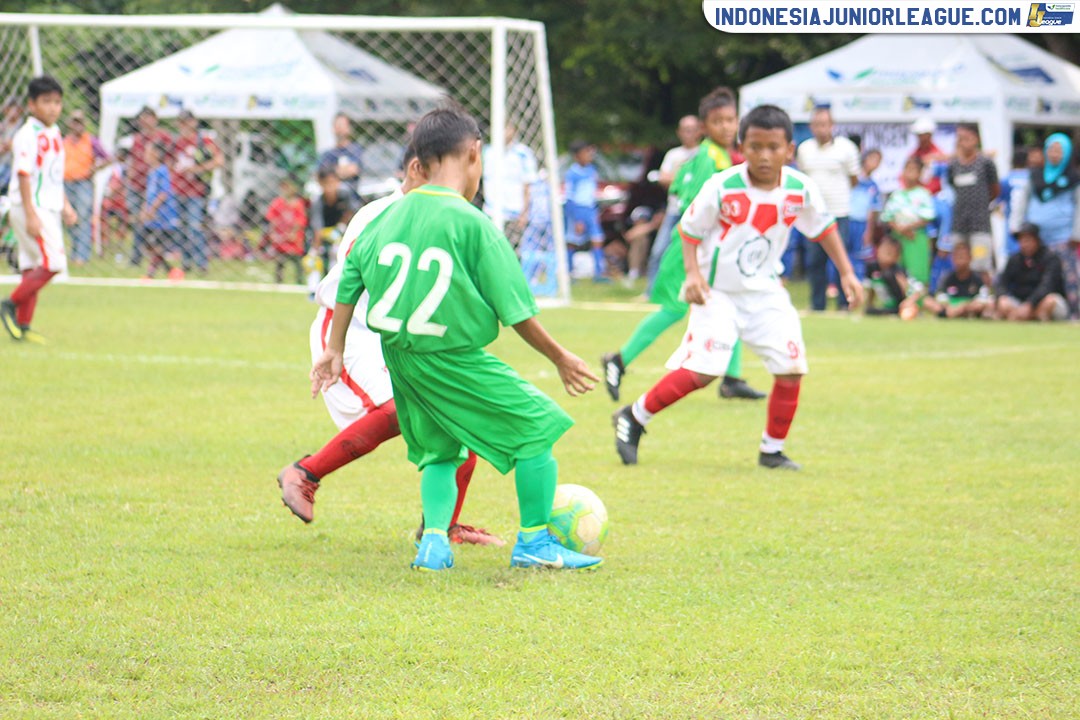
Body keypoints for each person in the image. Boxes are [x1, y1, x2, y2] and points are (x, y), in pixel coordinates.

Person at [311, 104, 603, 572]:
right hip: (452, 357)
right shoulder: (473, 225)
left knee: (440, 451)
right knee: (537, 428)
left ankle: (433, 545)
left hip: (401, 359)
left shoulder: (386, 216)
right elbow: (517, 312)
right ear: (474, 154)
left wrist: (335, 347)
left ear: (420, 161)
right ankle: (534, 542)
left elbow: (349, 280)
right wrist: (560, 357)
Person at [611, 104, 863, 471]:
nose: (765, 156)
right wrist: (693, 275)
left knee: (791, 367)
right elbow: (689, 229)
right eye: (756, 146)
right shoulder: (723, 186)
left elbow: (824, 229)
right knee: (703, 372)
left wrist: (847, 273)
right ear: (742, 147)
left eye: (774, 147)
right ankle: (634, 415)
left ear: (789, 150)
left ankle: (772, 451)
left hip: (766, 292)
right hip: (718, 292)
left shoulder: (799, 189)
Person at [279, 146, 502, 546]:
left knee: (459, 416)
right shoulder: (380, 215)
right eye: (450, 171)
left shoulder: (446, 217)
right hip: (352, 330)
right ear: (417, 169)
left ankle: (442, 527)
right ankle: (305, 473)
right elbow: (349, 285)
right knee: (398, 410)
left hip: (400, 338)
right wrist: (335, 347)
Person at [601, 87, 764, 404]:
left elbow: (679, 186)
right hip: (692, 247)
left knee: (731, 301)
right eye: (718, 121)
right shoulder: (708, 159)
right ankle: (619, 360)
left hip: (712, 247)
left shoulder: (720, 157)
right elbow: (695, 206)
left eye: (730, 120)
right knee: (675, 309)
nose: (726, 127)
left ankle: (732, 378)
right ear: (705, 127)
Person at [0, 76, 77, 344]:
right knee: (53, 263)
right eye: (46, 102)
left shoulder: (54, 132)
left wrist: (65, 205)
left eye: (57, 102)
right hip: (32, 206)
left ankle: (22, 326)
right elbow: (23, 175)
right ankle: (8, 304)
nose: (53, 108)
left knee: (32, 265)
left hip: (48, 205)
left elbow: (52, 175)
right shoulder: (27, 135)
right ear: (32, 105)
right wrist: (31, 214)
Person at [796, 106, 860, 310]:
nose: (821, 129)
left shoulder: (846, 148)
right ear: (811, 127)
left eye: (824, 124)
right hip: (814, 214)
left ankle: (844, 303)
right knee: (815, 261)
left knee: (840, 260)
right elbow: (802, 179)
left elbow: (854, 179)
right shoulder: (804, 149)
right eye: (817, 125)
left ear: (832, 125)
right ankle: (817, 305)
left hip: (839, 212)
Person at [1009, 133, 1080, 318]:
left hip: (1062, 238)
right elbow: (1022, 202)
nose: (1054, 154)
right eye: (1051, 149)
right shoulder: (1035, 176)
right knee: (1036, 277)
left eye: (1059, 150)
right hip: (1036, 238)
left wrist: (1076, 233)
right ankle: (1031, 310)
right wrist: (1016, 225)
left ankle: (1074, 314)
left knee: (1069, 278)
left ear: (1067, 153)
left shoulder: (1073, 178)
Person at [645, 115, 702, 289]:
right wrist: (685, 178)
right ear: (679, 132)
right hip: (674, 210)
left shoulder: (704, 154)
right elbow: (663, 178)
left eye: (692, 130)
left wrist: (677, 178)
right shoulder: (673, 154)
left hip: (696, 212)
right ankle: (651, 291)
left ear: (699, 131)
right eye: (685, 130)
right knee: (659, 250)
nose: (688, 134)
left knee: (696, 254)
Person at [946, 123, 999, 285]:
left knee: (981, 264)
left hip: (980, 224)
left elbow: (995, 190)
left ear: (976, 139)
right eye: (959, 139)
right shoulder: (953, 165)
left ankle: (985, 295)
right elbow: (952, 185)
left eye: (966, 138)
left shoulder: (986, 163)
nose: (962, 142)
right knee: (960, 264)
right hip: (959, 223)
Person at [171, 109, 223, 274]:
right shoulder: (176, 141)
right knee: (181, 229)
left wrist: (198, 169)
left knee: (195, 227)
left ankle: (201, 263)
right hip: (179, 189)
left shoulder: (203, 140)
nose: (184, 125)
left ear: (194, 122)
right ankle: (186, 262)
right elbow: (170, 162)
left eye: (187, 121)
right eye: (181, 122)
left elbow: (219, 160)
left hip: (196, 191)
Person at [126, 106, 172, 266]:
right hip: (138, 184)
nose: (145, 121)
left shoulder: (163, 137)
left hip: (156, 187)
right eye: (142, 119)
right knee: (138, 221)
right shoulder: (138, 139)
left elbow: (170, 159)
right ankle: (136, 257)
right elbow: (132, 159)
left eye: (148, 118)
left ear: (155, 119)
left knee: (155, 226)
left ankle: (159, 259)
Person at [994, 222, 1068, 322]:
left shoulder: (1050, 259)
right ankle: (1026, 317)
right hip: (1021, 303)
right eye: (1021, 241)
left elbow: (1047, 286)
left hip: (1042, 301)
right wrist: (1002, 296)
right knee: (1002, 302)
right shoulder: (1015, 259)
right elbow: (1002, 282)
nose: (1024, 244)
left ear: (1037, 240)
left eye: (1027, 240)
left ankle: (1029, 317)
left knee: (1050, 301)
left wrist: (1030, 304)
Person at [62, 109, 108, 265]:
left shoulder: (91, 141)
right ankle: (74, 253)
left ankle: (82, 256)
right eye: (74, 122)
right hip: (66, 183)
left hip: (83, 183)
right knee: (70, 218)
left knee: (83, 217)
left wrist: (94, 169)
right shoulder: (65, 141)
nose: (77, 126)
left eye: (80, 122)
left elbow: (107, 158)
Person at [881, 156, 935, 288]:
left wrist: (908, 228)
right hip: (897, 239)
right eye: (907, 169)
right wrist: (899, 229)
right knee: (898, 272)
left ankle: (919, 298)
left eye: (914, 170)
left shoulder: (923, 194)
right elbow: (887, 216)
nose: (910, 173)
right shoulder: (896, 194)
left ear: (920, 173)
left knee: (917, 274)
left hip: (915, 237)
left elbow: (927, 217)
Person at [481, 122, 538, 247]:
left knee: (512, 250)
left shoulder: (523, 153)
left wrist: (524, 213)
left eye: (506, 128)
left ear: (513, 130)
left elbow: (528, 186)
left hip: (514, 213)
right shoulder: (487, 152)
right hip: (490, 211)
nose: (503, 132)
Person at [908, 241, 992, 319]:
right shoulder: (947, 278)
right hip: (950, 307)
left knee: (986, 304)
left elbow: (983, 299)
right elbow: (941, 297)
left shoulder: (977, 278)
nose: (960, 260)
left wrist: (964, 307)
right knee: (928, 302)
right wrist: (950, 307)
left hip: (969, 307)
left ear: (970, 258)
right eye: (957, 257)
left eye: (962, 257)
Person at [563, 139, 607, 282]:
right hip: (577, 210)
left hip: (590, 210)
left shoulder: (591, 170)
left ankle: (599, 273)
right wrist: (576, 219)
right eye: (585, 152)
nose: (589, 155)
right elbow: (569, 197)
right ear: (577, 156)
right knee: (572, 241)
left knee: (597, 239)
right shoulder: (572, 173)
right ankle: (569, 273)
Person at [139, 141, 180, 279]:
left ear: (156, 154)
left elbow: (163, 193)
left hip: (163, 215)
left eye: (148, 152)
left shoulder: (163, 171)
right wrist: (144, 209)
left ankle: (150, 274)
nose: (145, 155)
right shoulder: (152, 172)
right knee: (149, 244)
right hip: (152, 215)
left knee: (157, 244)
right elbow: (148, 193)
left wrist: (152, 209)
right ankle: (170, 270)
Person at [310, 165, 359, 275]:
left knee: (336, 252)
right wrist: (314, 251)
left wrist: (341, 227)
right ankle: (316, 285)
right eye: (326, 183)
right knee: (313, 262)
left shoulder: (345, 194)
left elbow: (351, 211)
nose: (330, 187)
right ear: (320, 183)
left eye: (333, 182)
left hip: (344, 232)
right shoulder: (318, 201)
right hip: (324, 234)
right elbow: (317, 227)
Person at [264, 176, 308, 284]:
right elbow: (272, 219)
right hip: (281, 239)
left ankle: (299, 281)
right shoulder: (277, 203)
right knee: (280, 262)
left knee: (297, 261)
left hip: (294, 240)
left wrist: (293, 233)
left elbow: (300, 221)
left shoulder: (298, 204)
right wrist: (273, 233)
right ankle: (278, 281)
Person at [847, 148, 883, 280]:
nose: (875, 163)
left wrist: (869, 230)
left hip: (862, 224)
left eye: (878, 161)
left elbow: (873, 210)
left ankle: (858, 281)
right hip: (847, 220)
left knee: (860, 255)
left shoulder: (873, 186)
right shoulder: (852, 179)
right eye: (873, 159)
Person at [862, 237, 908, 316]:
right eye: (882, 251)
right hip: (884, 305)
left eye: (889, 253)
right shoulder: (872, 267)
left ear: (896, 257)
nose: (884, 256)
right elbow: (870, 288)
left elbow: (907, 290)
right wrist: (869, 304)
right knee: (870, 311)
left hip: (898, 304)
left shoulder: (897, 270)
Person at [318, 112, 364, 185]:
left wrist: (330, 170)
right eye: (337, 125)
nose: (339, 128)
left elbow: (353, 170)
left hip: (349, 190)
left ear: (349, 129)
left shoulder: (355, 150)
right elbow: (319, 174)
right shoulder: (327, 154)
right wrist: (341, 170)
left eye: (342, 125)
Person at [908, 116, 946, 194]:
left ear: (929, 135)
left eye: (922, 135)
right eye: (918, 135)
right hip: (917, 196)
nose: (920, 137)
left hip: (935, 195)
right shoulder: (914, 155)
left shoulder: (939, 155)